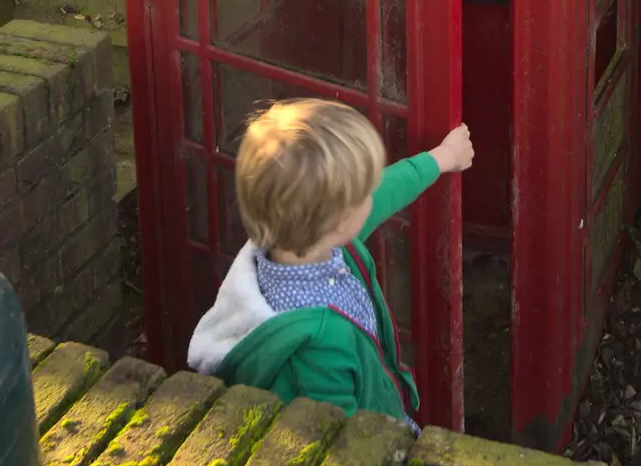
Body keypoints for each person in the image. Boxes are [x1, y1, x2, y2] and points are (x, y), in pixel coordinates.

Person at [187, 97, 473, 426]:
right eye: (364, 190)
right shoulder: (317, 347)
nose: (373, 192)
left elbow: (388, 191)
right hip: (377, 440)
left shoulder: (304, 242)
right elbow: (336, 439)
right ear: (338, 219)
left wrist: (442, 158)